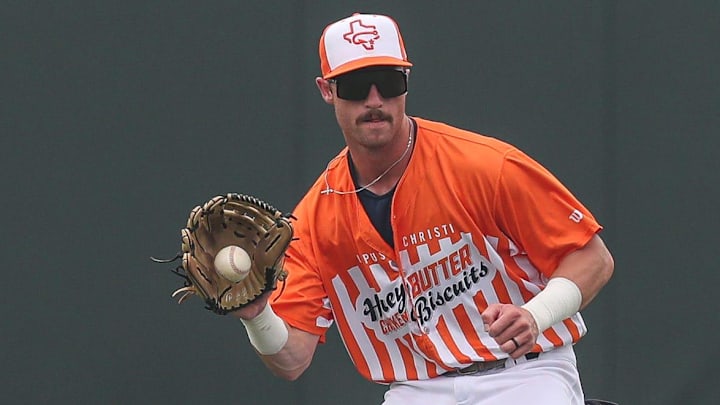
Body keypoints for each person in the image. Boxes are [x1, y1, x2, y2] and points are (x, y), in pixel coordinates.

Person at [232, 13, 615, 405]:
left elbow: (592, 259)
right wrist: (258, 314)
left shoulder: (483, 165)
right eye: (356, 85)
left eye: (390, 81)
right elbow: (292, 359)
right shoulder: (314, 221)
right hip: (417, 389)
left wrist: (537, 314)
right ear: (327, 90)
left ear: (407, 82)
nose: (375, 99)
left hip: (525, 373)